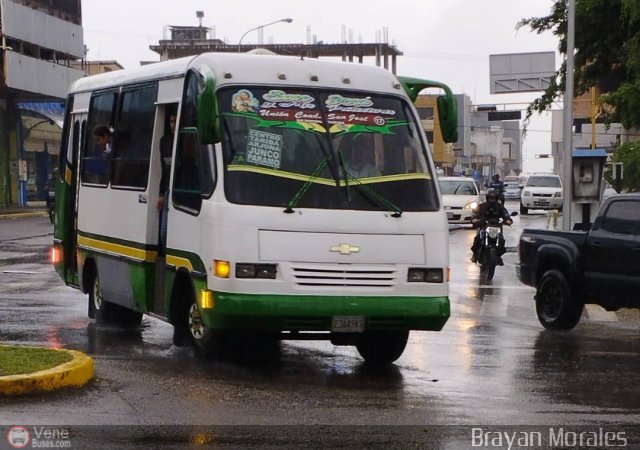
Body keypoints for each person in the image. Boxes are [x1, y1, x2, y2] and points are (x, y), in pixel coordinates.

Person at [470, 188, 513, 265]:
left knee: (501, 241)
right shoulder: (482, 206)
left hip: (497, 227)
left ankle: (498, 256)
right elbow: (475, 213)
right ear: (487, 197)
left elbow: (505, 213)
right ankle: (475, 255)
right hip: (484, 226)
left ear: (496, 198)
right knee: (477, 239)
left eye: (493, 198)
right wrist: (475, 218)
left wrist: (508, 219)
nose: (492, 199)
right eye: (490, 198)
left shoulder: (499, 206)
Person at [157, 112, 176, 254]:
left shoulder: (187, 139)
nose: (173, 125)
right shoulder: (165, 141)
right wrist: (161, 194)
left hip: (181, 193)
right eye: (171, 121)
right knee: (163, 233)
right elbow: (164, 169)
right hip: (168, 191)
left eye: (175, 121)